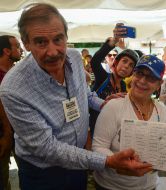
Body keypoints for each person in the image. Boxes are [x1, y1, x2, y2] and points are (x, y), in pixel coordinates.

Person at [0, 3, 152, 190]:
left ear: (66, 36)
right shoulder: (13, 88)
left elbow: (86, 95)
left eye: (58, 39)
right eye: (41, 42)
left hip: (79, 162)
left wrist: (105, 105)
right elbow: (48, 149)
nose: (53, 51)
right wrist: (107, 161)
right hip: (44, 173)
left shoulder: (73, 57)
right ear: (26, 43)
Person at [92, 55, 166, 190]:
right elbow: (98, 147)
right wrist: (116, 162)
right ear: (133, 75)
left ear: (159, 84)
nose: (142, 81)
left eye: (151, 78)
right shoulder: (114, 106)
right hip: (112, 186)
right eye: (139, 73)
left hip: (149, 186)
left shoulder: (162, 111)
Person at [89, 25, 139, 136]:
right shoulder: (103, 77)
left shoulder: (123, 86)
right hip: (93, 131)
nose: (126, 66)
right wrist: (113, 41)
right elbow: (95, 61)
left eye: (131, 65)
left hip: (110, 132)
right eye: (124, 61)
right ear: (116, 63)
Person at [0, 35, 23, 190]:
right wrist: (7, 135)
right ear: (7, 51)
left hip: (20, 134)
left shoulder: (17, 73)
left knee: (26, 171)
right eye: (17, 46)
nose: (20, 49)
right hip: (3, 135)